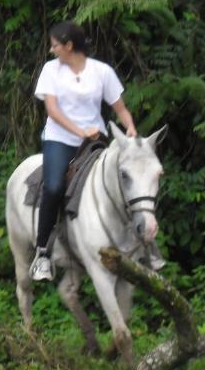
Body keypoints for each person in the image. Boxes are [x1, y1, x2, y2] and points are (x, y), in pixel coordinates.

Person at [31, 21, 137, 282]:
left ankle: (142, 243)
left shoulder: (102, 72)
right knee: (54, 187)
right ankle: (43, 253)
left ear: (68, 45)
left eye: (55, 45)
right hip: (60, 139)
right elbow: (52, 111)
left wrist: (131, 129)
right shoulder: (50, 70)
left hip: (95, 140)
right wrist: (79, 132)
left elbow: (120, 108)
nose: (52, 49)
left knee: (124, 180)